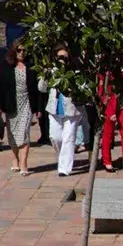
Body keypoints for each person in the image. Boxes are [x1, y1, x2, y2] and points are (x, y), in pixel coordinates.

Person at [0, 40, 42, 176]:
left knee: (24, 133)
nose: (22, 53)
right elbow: (1, 87)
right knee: (12, 135)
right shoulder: (7, 65)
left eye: (24, 50)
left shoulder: (31, 66)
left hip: (27, 103)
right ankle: (15, 159)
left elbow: (36, 89)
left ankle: (23, 163)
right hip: (11, 103)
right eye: (19, 50)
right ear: (13, 51)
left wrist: (38, 108)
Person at [40, 49, 83, 177]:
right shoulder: (51, 71)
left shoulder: (75, 72)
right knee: (55, 137)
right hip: (54, 109)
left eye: (65, 57)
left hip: (71, 110)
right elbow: (41, 88)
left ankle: (64, 168)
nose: (62, 60)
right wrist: (45, 75)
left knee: (68, 139)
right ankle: (62, 158)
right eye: (60, 57)